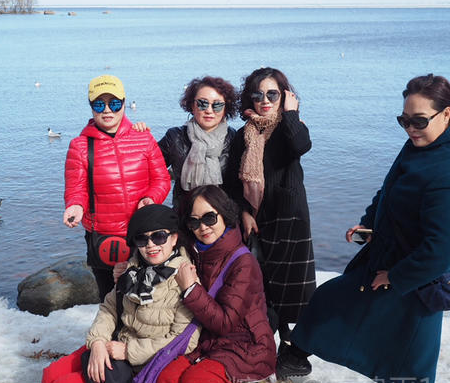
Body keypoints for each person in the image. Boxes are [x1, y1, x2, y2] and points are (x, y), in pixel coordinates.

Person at [281, 74, 450, 383]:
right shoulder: (419, 146)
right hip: (386, 262)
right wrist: (369, 225)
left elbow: (440, 252)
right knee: (330, 301)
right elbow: (388, 191)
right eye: (404, 120)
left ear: (445, 115)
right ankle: (294, 356)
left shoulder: (445, 174)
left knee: (414, 360)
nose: (410, 129)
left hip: (414, 282)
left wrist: (395, 277)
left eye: (419, 121)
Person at [10, 204, 200, 383]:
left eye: (159, 236)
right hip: (115, 345)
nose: (151, 245)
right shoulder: (134, 269)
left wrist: (128, 351)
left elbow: (185, 340)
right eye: (142, 239)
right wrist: (98, 342)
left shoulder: (185, 279)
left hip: (144, 364)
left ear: (174, 238)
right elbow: (109, 308)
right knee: (54, 374)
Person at [152, 185, 276, 383]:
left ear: (225, 215)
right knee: (166, 378)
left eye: (210, 218)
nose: (203, 227)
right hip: (208, 341)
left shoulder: (243, 262)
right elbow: (157, 246)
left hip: (245, 345)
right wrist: (128, 269)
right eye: (194, 221)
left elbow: (225, 322)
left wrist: (191, 289)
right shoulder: (196, 251)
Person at [223, 67, 315, 348]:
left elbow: (301, 146)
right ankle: (264, 335)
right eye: (258, 95)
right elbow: (232, 180)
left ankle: (290, 340)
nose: (264, 100)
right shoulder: (244, 134)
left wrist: (290, 113)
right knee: (262, 277)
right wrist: (244, 211)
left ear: (283, 97)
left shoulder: (291, 127)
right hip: (257, 213)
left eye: (272, 94)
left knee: (291, 280)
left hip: (289, 214)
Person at [63, 75, 171, 300]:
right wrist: (75, 206)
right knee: (111, 300)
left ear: (124, 102)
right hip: (103, 239)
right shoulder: (79, 146)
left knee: (146, 299)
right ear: (91, 106)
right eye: (99, 104)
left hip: (142, 234)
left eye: (113, 103)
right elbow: (76, 188)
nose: (107, 110)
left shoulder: (144, 138)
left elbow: (161, 179)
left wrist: (151, 199)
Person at [155, 76, 239, 212]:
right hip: (184, 215)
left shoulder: (234, 138)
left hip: (223, 216)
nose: (209, 110)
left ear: (226, 108)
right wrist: (139, 136)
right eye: (202, 104)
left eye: (217, 105)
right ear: (192, 106)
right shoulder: (175, 137)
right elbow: (148, 171)